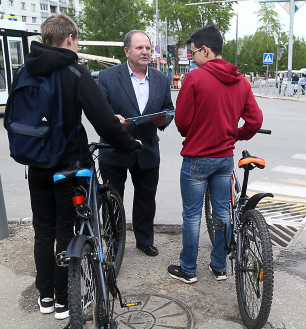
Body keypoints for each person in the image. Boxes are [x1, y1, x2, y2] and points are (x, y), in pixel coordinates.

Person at [4, 14, 141, 320]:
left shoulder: (23, 70)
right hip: (68, 166)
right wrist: (128, 144)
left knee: (43, 231)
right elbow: (104, 121)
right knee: (67, 231)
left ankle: (46, 297)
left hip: (36, 165)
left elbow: (10, 120)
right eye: (77, 40)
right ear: (69, 38)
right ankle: (66, 300)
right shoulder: (74, 72)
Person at [168, 22, 263, 284]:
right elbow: (254, 121)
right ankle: (219, 266)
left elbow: (182, 122)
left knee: (192, 215)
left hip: (197, 159)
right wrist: (235, 134)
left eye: (194, 53)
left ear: (206, 50)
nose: (193, 59)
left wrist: (194, 130)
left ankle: (188, 269)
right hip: (224, 159)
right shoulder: (241, 81)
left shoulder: (195, 79)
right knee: (222, 213)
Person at [97, 30, 174, 258]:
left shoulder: (161, 79)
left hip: (147, 149)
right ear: (127, 50)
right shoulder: (107, 77)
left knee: (146, 199)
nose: (145, 52)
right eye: (140, 48)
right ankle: (113, 244)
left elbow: (169, 108)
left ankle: (144, 241)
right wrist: (113, 122)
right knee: (112, 201)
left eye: (148, 48)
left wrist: (165, 119)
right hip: (115, 149)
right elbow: (100, 111)